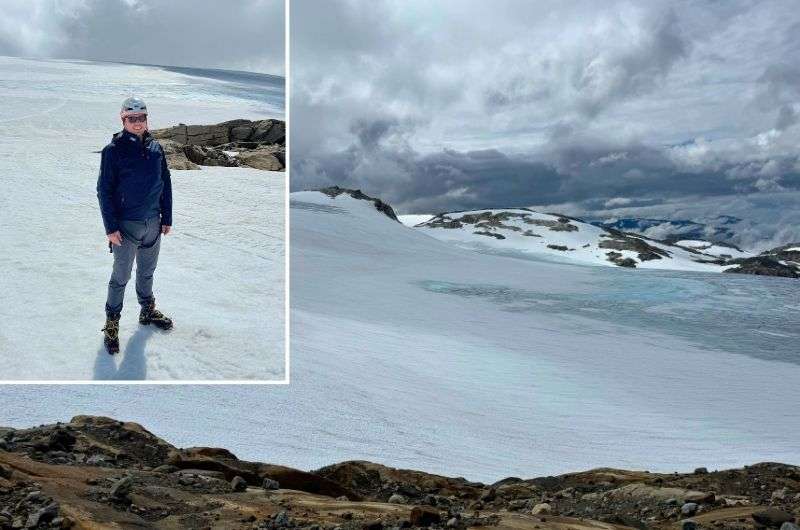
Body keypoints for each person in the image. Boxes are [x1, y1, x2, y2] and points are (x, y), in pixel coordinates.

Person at [96, 96, 174, 355]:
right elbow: (104, 190)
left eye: (142, 118)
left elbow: (165, 180)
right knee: (121, 277)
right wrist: (110, 227)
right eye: (132, 118)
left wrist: (167, 216)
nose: (138, 123)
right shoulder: (113, 150)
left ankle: (147, 311)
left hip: (153, 222)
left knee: (147, 272)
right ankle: (112, 323)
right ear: (123, 119)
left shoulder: (155, 148)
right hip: (125, 227)